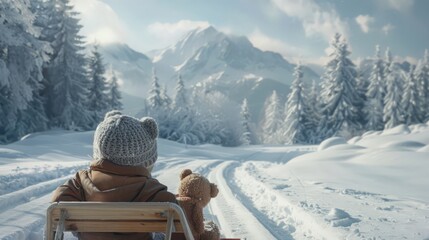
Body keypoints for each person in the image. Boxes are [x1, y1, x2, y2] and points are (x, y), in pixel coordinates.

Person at [51, 110, 177, 240]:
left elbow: (57, 204)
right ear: (146, 162)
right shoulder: (152, 190)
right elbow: (176, 218)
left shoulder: (81, 182)